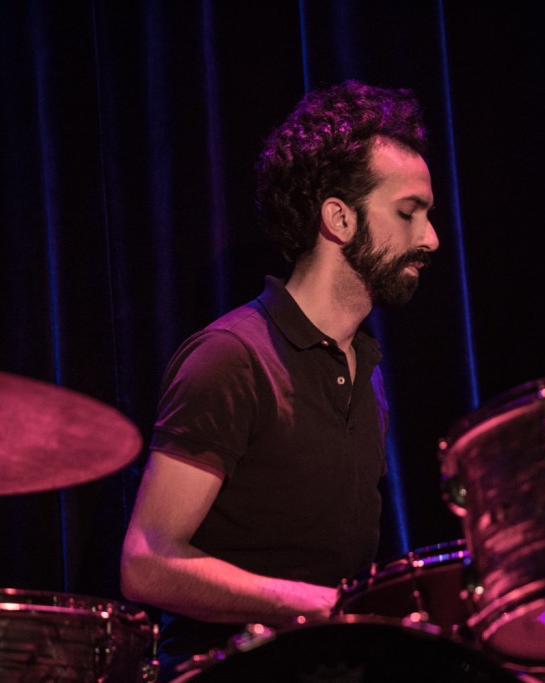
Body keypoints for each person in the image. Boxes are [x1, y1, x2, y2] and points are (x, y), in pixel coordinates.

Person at [120, 80, 439, 677]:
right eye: (408, 213)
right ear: (340, 219)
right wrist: (322, 608)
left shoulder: (364, 369)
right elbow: (146, 561)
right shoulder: (231, 357)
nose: (430, 238)